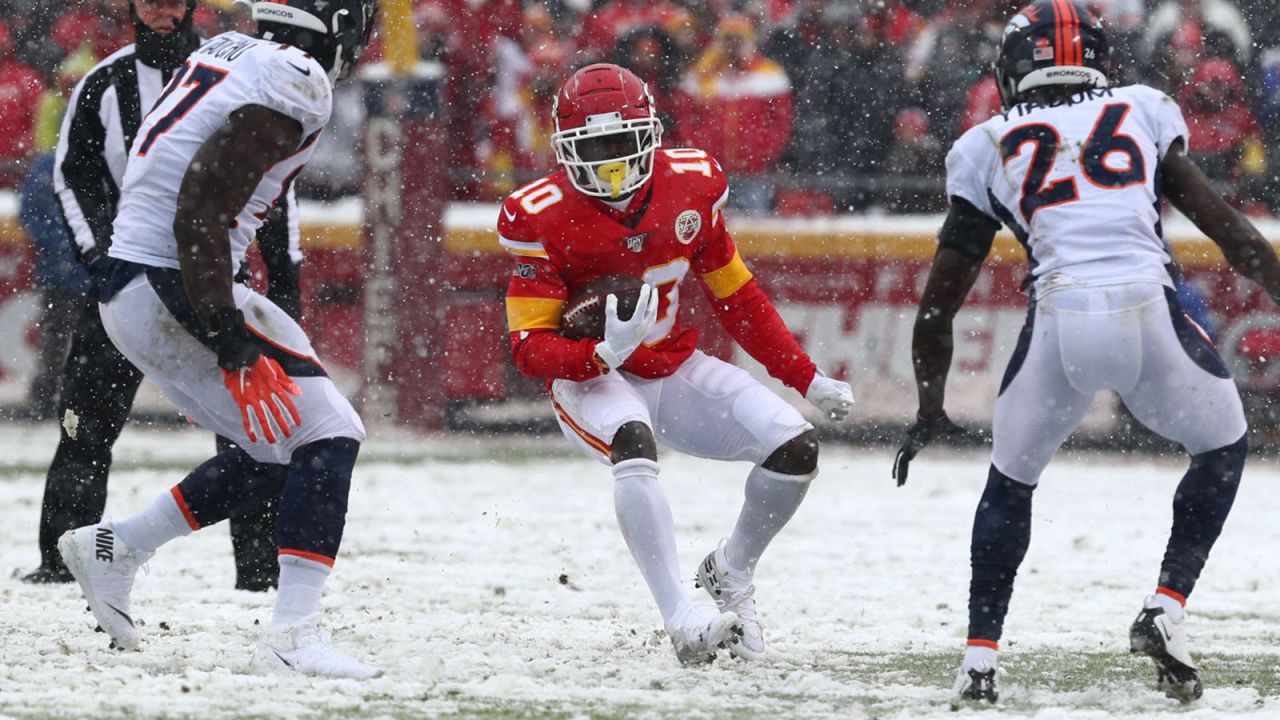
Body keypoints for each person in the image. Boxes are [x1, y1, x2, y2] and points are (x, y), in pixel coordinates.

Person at [892, 0, 1280, 703]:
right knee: (1222, 446)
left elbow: (939, 303)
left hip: (1061, 322)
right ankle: (1166, 604)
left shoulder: (988, 143)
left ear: (1016, 69)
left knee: (1011, 484)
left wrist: (928, 409)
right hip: (1146, 313)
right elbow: (1235, 235)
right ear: (1099, 61)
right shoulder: (1143, 108)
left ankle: (979, 660)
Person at [56, 0, 379, 678]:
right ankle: (293, 635)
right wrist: (230, 341)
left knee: (278, 443)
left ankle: (116, 548)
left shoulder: (232, 50)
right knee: (328, 433)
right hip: (172, 281)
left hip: (146, 282)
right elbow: (200, 207)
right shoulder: (295, 76)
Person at [500, 63, 854, 665]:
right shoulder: (541, 213)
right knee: (633, 443)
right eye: (593, 148)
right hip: (592, 379)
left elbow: (736, 298)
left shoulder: (692, 185)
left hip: (669, 364)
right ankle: (682, 618)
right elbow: (529, 347)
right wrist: (598, 354)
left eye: (620, 144)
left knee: (795, 447)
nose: (610, 163)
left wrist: (806, 377)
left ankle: (730, 571)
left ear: (651, 133)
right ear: (564, 150)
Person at [21, 0, 302, 593]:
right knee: (86, 424)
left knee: (253, 425)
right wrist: (100, 261)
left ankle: (260, 570)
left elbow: (275, 185)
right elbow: (74, 177)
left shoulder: (242, 75)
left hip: (215, 284)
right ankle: (63, 558)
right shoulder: (104, 83)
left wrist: (284, 275)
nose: (161, 11)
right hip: (127, 280)